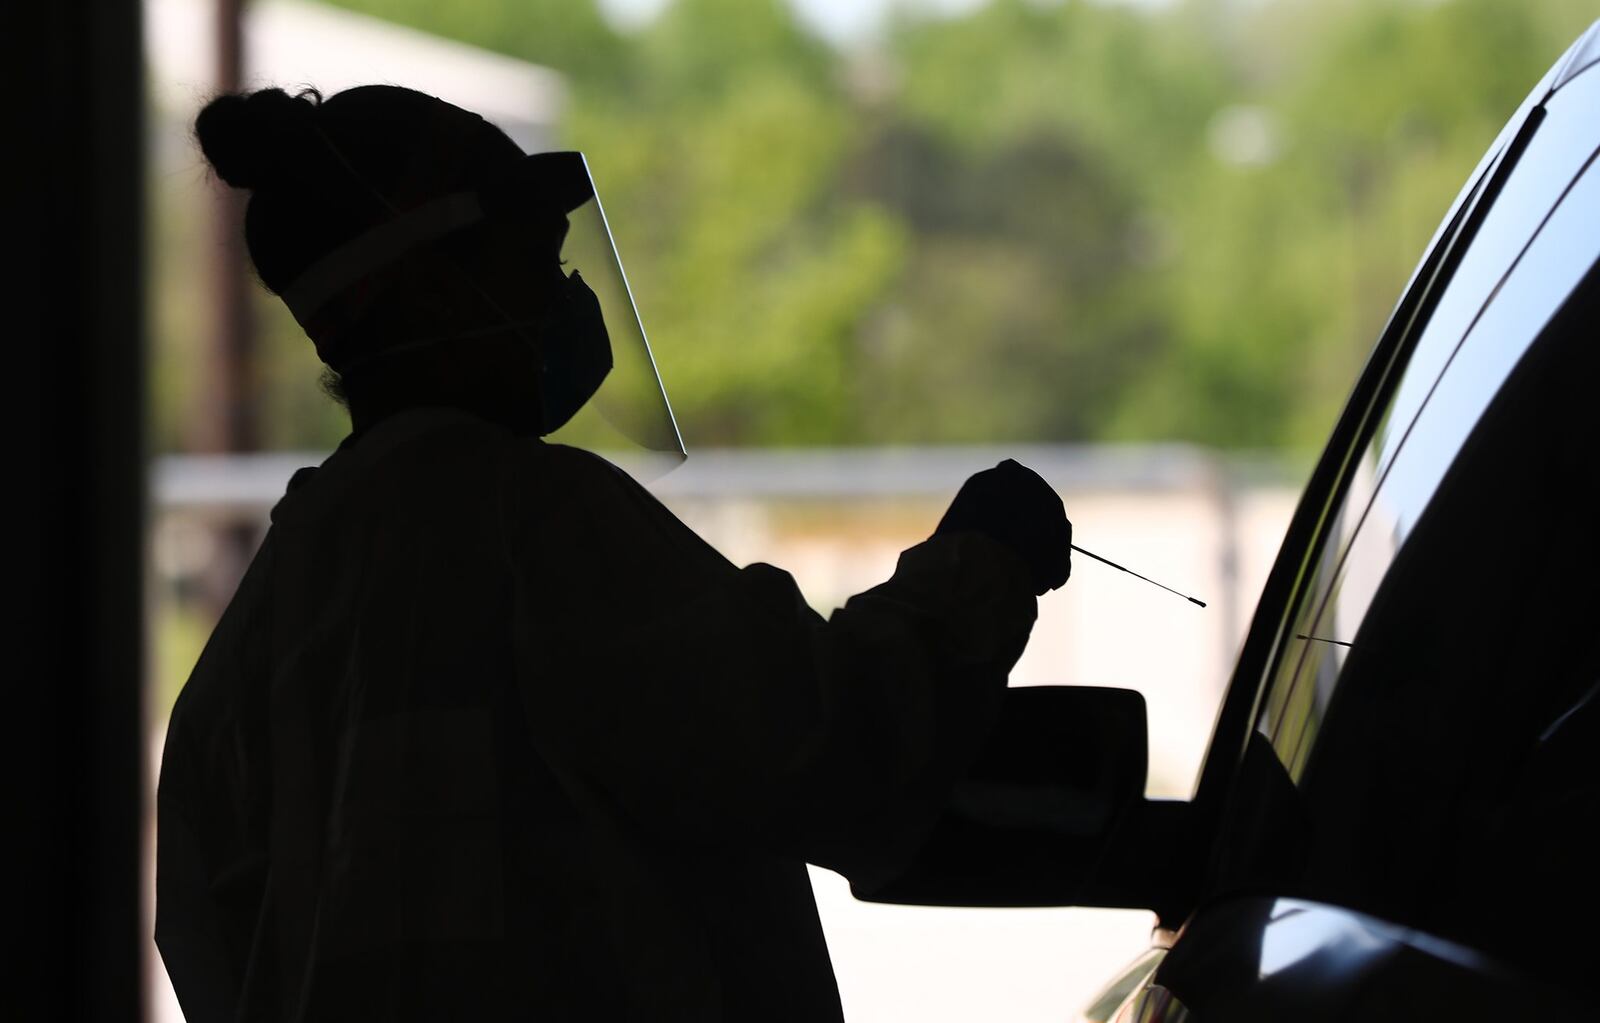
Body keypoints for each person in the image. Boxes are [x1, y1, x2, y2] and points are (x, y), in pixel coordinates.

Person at [155, 84, 1073, 1022]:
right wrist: (980, 568)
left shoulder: (258, 632)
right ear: (432, 288)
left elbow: (213, 951)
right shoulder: (534, 526)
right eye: (535, 261)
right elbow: (831, 746)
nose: (562, 299)